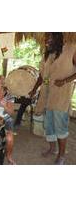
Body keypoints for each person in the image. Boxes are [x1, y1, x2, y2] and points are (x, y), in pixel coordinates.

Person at [29, 32, 76, 165]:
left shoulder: (71, 48)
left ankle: (62, 155)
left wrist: (66, 80)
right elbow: (41, 76)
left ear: (57, 38)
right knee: (49, 125)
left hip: (61, 95)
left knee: (60, 125)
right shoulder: (48, 54)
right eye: (45, 39)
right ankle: (52, 148)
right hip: (46, 95)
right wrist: (34, 90)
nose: (46, 41)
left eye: (49, 38)